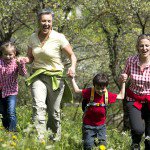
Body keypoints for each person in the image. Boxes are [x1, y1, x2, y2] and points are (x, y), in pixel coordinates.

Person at [24, 8, 77, 141]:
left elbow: (72, 55)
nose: (46, 24)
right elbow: (30, 58)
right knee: (39, 107)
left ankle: (54, 140)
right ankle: (40, 140)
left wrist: (72, 67)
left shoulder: (59, 37)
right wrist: (25, 60)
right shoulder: (32, 37)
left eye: (49, 21)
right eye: (43, 21)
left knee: (54, 113)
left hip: (55, 77)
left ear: (52, 22)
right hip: (38, 75)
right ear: (38, 22)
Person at [71, 72, 126, 150]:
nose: (100, 91)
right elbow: (76, 90)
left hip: (101, 127)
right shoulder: (89, 92)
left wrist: (123, 82)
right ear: (94, 86)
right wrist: (72, 78)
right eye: (97, 88)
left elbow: (121, 96)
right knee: (88, 146)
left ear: (106, 87)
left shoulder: (107, 95)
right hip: (88, 126)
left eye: (103, 88)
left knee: (102, 146)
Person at [122, 34, 150, 150]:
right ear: (137, 47)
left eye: (147, 46)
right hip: (134, 99)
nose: (144, 48)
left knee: (149, 137)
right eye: (141, 46)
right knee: (138, 130)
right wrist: (122, 77)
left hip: (149, 100)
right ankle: (135, 144)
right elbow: (124, 75)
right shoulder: (131, 60)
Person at [0, 41, 27, 132]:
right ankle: (6, 129)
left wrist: (21, 65)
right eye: (5, 54)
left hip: (11, 92)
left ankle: (12, 131)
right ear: (2, 54)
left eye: (10, 54)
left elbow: (23, 74)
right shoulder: (0, 62)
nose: (8, 56)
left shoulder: (16, 63)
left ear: (14, 54)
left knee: (11, 112)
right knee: (2, 112)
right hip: (1, 91)